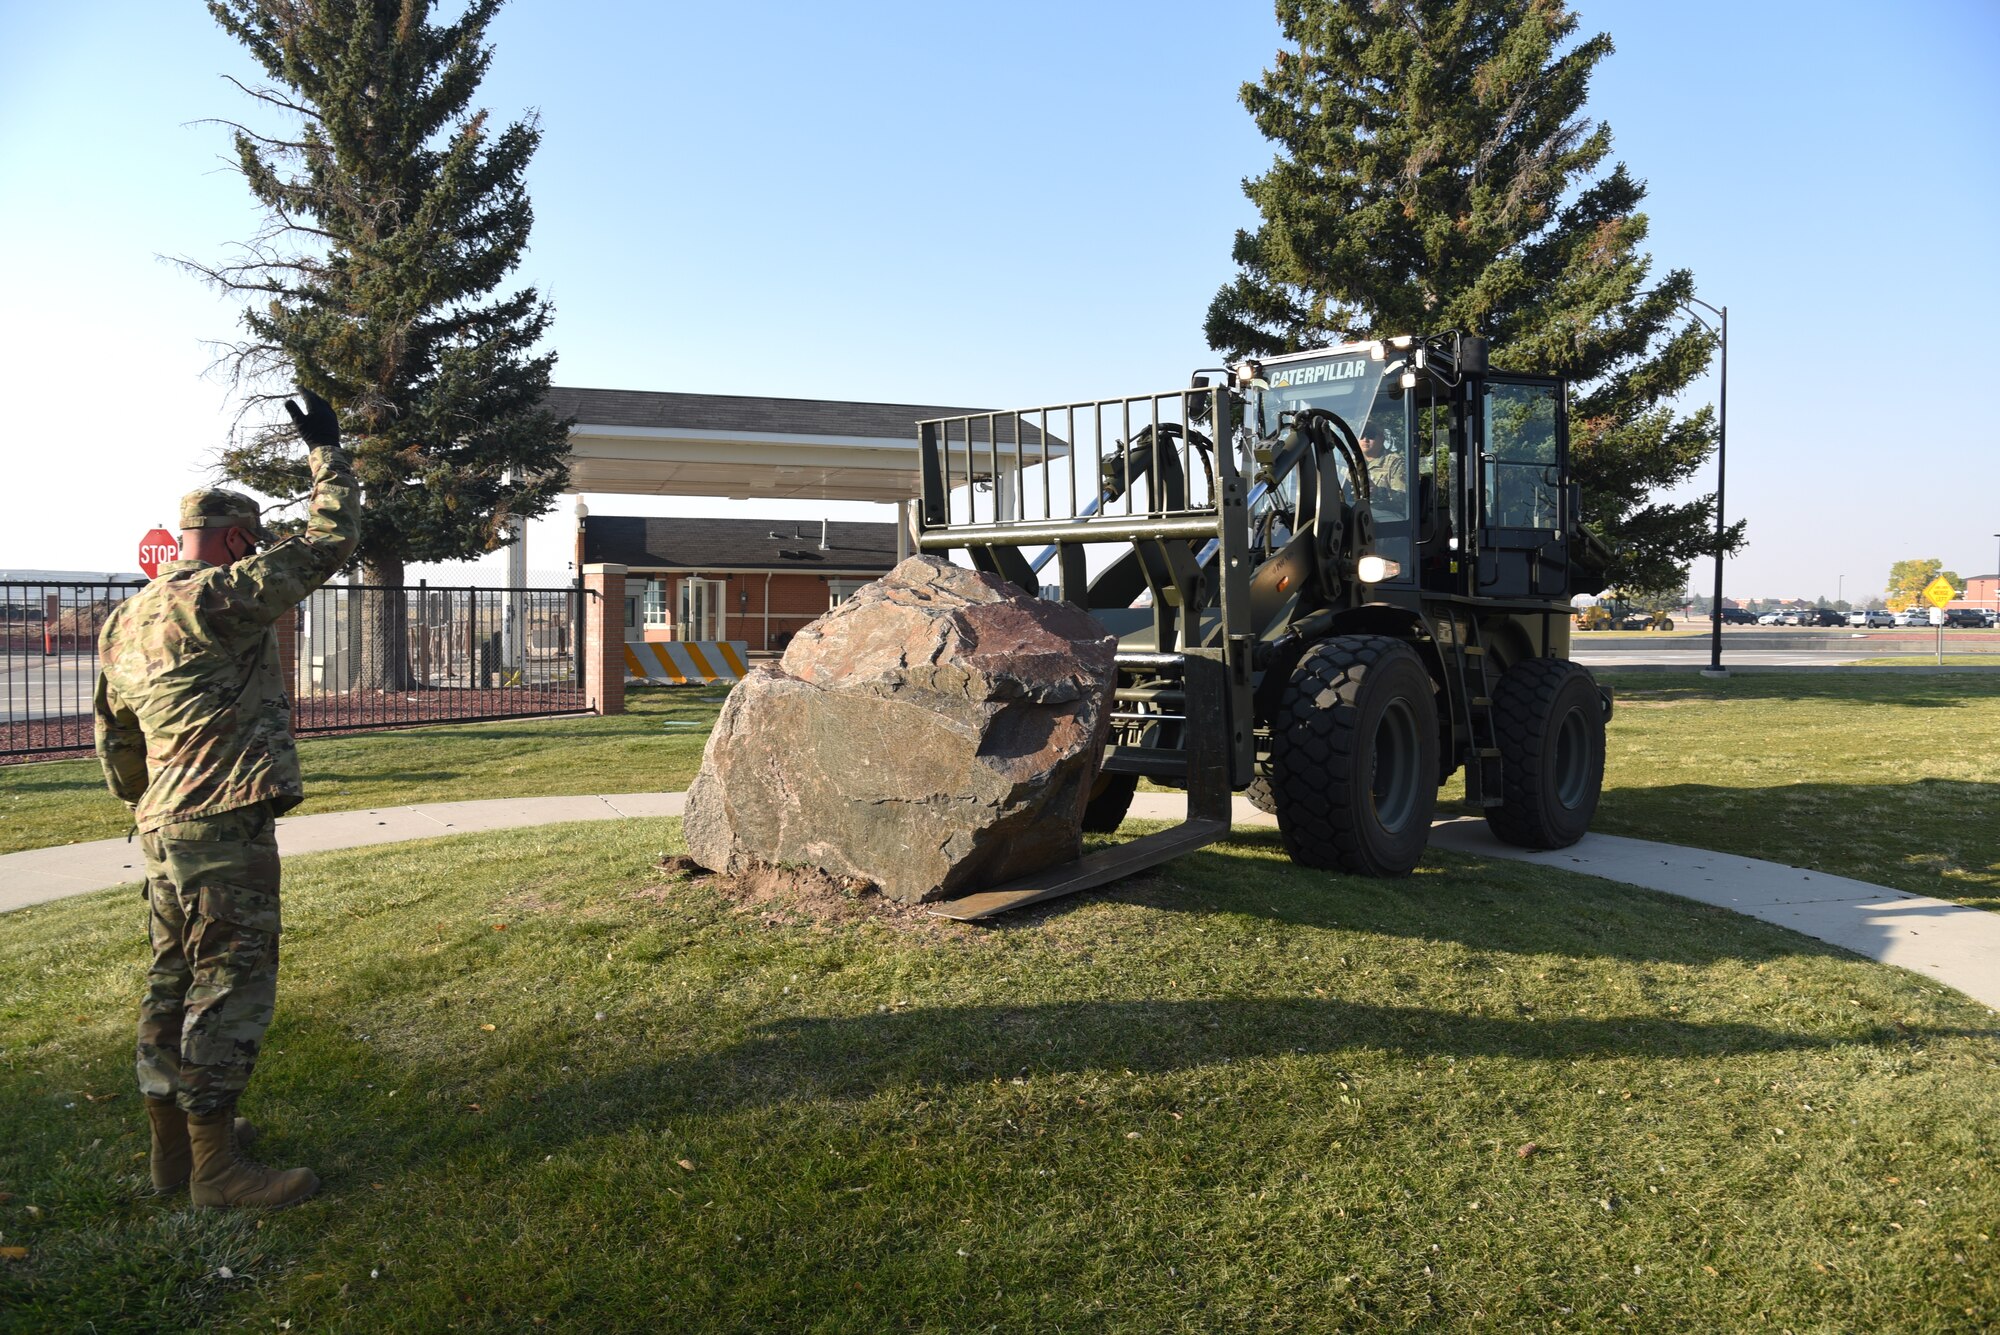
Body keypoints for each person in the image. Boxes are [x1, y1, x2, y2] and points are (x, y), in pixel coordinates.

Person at [95, 388, 357, 1209]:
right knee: (229, 983)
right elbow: (331, 538)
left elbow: (116, 741)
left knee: (170, 977)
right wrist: (327, 454)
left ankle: (173, 1153)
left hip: (161, 824)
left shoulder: (126, 618)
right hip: (222, 819)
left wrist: (150, 800)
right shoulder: (220, 596)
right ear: (238, 541)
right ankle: (218, 1170)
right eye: (251, 545)